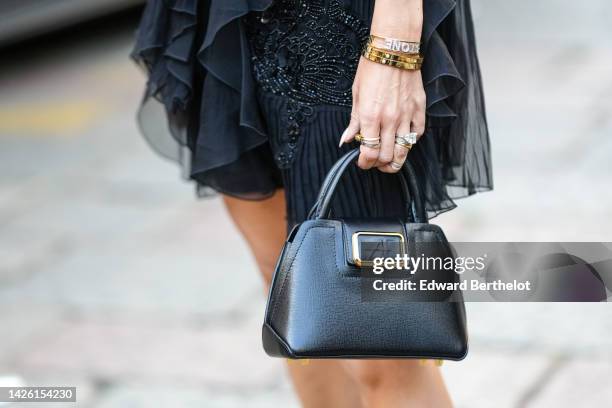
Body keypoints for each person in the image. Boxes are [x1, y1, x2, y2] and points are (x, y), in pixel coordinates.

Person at [132, 0, 492, 405]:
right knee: (296, 298)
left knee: (381, 340)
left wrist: (395, 49)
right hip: (226, 14)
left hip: (340, 21)